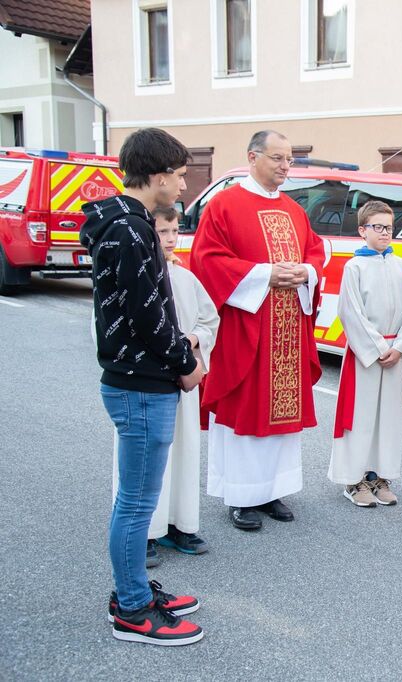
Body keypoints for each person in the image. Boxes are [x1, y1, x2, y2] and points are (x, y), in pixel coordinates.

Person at [81, 127, 205, 646]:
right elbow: (147, 314)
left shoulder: (125, 221)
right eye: (179, 176)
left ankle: (133, 590)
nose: (183, 186)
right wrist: (186, 362)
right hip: (140, 383)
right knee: (135, 503)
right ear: (158, 176)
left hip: (137, 378)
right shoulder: (131, 229)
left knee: (136, 499)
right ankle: (132, 610)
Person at [190, 130, 325, 532]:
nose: (286, 166)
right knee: (244, 410)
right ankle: (241, 495)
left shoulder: (294, 210)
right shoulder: (224, 205)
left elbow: (315, 251)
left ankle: (272, 490)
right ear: (252, 157)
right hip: (246, 330)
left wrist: (307, 272)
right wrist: (264, 275)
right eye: (278, 158)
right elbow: (207, 260)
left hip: (287, 332)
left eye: (290, 159)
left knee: (280, 416)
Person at [329, 200, 402, 507]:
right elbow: (350, 312)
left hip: (394, 354)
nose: (384, 233)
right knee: (361, 417)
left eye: (389, 227)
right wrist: (380, 348)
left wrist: (400, 347)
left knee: (387, 419)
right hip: (365, 356)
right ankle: (353, 480)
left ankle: (379, 476)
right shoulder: (354, 267)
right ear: (362, 230)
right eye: (377, 227)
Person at [149, 206, 220, 554]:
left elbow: (209, 320)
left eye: (175, 231)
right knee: (149, 457)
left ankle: (180, 523)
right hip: (149, 379)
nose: (171, 239)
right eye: (162, 232)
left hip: (184, 376)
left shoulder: (185, 278)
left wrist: (191, 340)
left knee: (185, 450)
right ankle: (146, 531)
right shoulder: (137, 275)